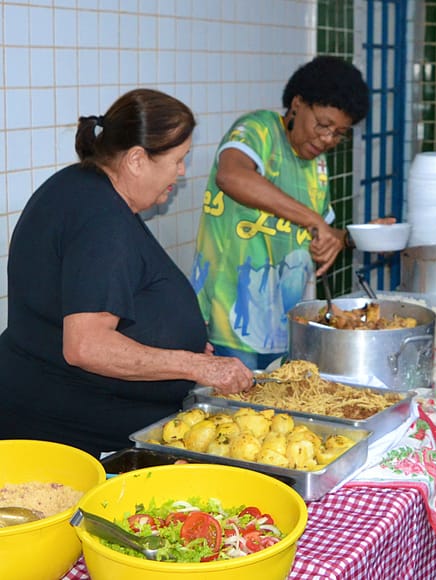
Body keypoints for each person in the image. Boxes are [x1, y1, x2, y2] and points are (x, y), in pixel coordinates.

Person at [0, 89, 254, 457]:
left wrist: (178, 342)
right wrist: (194, 364)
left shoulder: (84, 188)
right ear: (137, 159)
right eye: (178, 160)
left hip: (61, 415)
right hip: (73, 441)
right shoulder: (101, 217)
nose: (181, 172)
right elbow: (87, 346)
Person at [193, 55, 371, 369]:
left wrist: (356, 237)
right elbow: (231, 175)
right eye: (323, 125)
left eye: (339, 133)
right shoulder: (259, 129)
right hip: (228, 325)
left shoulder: (315, 165)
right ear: (297, 104)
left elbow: (322, 234)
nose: (328, 139)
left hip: (281, 327)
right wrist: (314, 220)